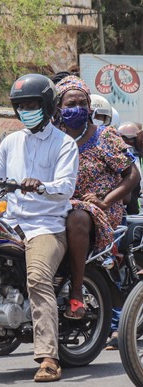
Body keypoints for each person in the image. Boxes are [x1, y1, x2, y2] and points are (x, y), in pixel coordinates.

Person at [0, 73, 79, 382]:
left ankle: (49, 357)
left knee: (37, 277)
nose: (26, 110)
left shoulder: (64, 144)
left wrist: (40, 186)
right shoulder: (10, 142)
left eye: (32, 104)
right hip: (10, 223)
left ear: (48, 106)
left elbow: (65, 188)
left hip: (46, 226)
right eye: (20, 106)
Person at [54, 76, 139, 338]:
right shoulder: (54, 139)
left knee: (77, 218)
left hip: (99, 209)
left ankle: (77, 294)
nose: (77, 108)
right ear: (58, 108)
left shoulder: (105, 137)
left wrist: (106, 200)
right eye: (71, 103)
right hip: (60, 205)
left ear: (90, 107)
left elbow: (132, 175)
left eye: (82, 103)